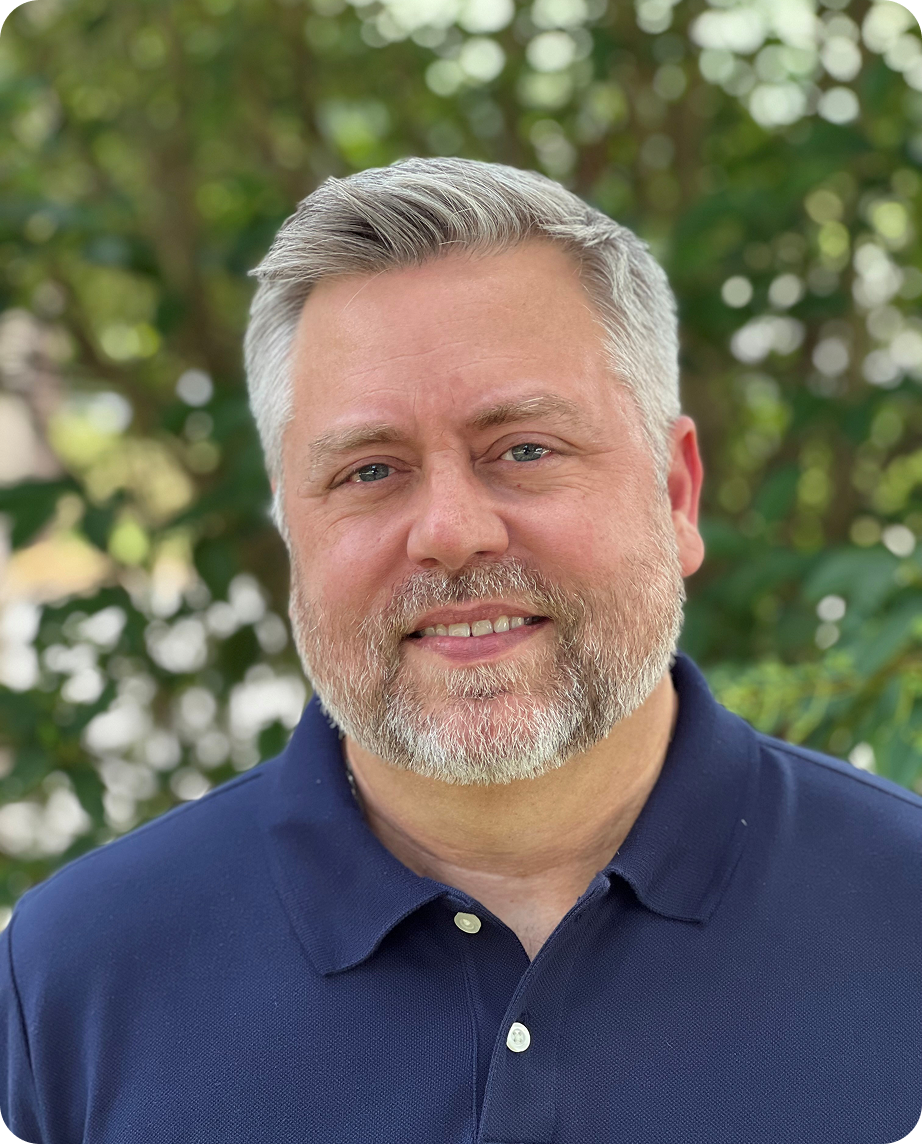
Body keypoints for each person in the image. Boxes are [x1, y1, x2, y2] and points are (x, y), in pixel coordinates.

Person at [2, 158, 920, 1143]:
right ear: (289, 533)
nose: (451, 530)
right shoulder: (75, 977)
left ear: (676, 493)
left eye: (523, 449)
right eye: (369, 469)